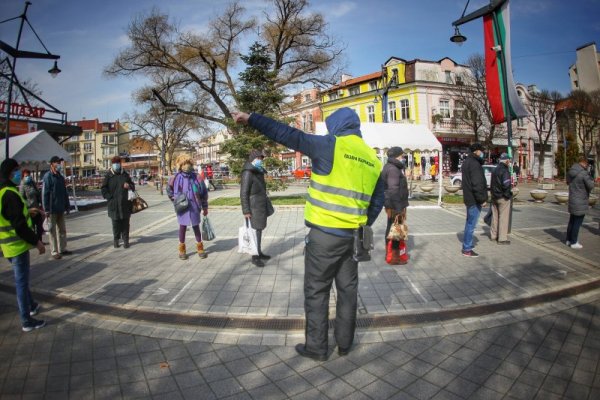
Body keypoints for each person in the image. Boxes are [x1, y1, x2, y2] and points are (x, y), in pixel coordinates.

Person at [233, 108, 384, 361]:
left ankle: (317, 348)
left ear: (335, 127)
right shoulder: (373, 158)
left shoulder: (329, 145)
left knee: (317, 290)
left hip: (324, 236)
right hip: (354, 237)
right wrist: (361, 222)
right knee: (348, 291)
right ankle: (345, 344)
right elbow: (378, 201)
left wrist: (251, 118)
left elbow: (287, 134)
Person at [0, 159, 47, 332]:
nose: (20, 174)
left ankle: (32, 305)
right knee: (21, 283)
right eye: (17, 171)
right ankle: (26, 320)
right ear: (11, 172)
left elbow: (11, 215)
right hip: (17, 245)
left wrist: (30, 210)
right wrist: (37, 241)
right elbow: (19, 225)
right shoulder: (10, 195)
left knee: (22, 280)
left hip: (7, 246)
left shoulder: (3, 192)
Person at [168, 157, 209, 260]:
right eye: (184, 164)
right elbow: (169, 189)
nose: (187, 166)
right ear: (180, 166)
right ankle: (182, 250)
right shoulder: (176, 177)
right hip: (182, 206)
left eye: (188, 163)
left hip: (194, 205)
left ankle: (200, 248)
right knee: (182, 227)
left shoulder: (197, 177)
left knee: (196, 226)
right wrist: (175, 199)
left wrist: (205, 207)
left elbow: (204, 192)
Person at [240, 149, 273, 268]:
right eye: (259, 159)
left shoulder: (257, 171)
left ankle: (259, 252)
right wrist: (246, 210)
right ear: (253, 159)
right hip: (253, 206)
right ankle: (255, 257)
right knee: (254, 231)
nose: (261, 161)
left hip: (260, 205)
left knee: (259, 230)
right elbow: (244, 193)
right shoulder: (248, 172)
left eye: (261, 159)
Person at [381, 146, 409, 264]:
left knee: (391, 229)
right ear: (397, 156)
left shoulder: (390, 167)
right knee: (396, 231)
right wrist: (399, 208)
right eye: (401, 155)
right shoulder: (393, 169)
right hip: (395, 205)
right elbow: (393, 189)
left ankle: (389, 253)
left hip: (392, 204)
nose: (403, 157)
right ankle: (394, 257)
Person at [101, 156, 135, 248]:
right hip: (114, 204)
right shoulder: (109, 175)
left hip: (125, 204)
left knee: (125, 224)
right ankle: (116, 240)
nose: (116, 165)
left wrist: (129, 185)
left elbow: (133, 185)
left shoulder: (125, 174)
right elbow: (103, 189)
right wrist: (109, 197)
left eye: (118, 163)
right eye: (115, 163)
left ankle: (126, 241)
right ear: (112, 164)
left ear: (120, 164)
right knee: (115, 224)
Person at [460, 142, 488, 257]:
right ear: (477, 151)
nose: (482, 153)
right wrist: (482, 199)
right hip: (474, 199)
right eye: (481, 151)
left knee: (469, 223)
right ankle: (467, 248)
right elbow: (477, 184)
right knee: (471, 224)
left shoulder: (466, 162)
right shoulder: (475, 164)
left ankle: (467, 246)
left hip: (468, 198)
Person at [42, 156, 71, 260]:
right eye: (57, 163)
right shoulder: (48, 176)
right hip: (52, 209)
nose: (59, 164)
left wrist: (67, 206)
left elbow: (65, 193)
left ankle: (63, 249)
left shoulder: (60, 177)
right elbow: (45, 194)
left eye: (60, 163)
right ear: (52, 164)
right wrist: (46, 209)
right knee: (52, 231)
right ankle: (54, 251)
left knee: (62, 230)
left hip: (60, 208)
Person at [566, 157, 594, 249]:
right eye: (587, 165)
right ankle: (574, 242)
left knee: (572, 221)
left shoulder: (571, 171)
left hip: (572, 199)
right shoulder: (584, 173)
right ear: (584, 163)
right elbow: (591, 186)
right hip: (581, 201)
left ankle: (568, 240)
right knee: (577, 223)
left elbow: (567, 182)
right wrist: (591, 176)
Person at [490, 153, 513, 244]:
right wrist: (508, 195)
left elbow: (492, 184)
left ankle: (493, 235)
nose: (510, 162)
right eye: (509, 161)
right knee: (503, 217)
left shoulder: (495, 169)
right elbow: (506, 185)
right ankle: (502, 239)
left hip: (494, 197)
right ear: (507, 161)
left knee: (495, 217)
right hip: (502, 197)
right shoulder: (505, 170)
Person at [19, 169, 45, 243]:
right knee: (32, 226)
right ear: (23, 176)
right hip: (30, 208)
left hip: (37, 207)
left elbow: (37, 193)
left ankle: (40, 240)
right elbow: (21, 197)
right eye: (26, 175)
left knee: (39, 226)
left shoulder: (32, 183)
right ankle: (34, 241)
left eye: (28, 175)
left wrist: (40, 203)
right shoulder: (22, 184)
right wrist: (27, 206)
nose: (28, 177)